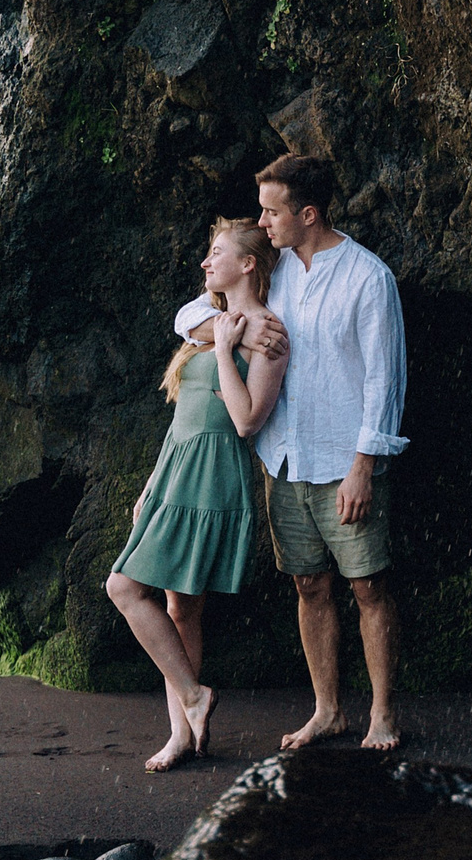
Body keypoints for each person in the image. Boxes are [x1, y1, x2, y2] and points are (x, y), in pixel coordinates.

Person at [173, 153, 408, 752]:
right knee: (308, 586)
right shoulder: (272, 272)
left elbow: (385, 380)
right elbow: (192, 316)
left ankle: (381, 714)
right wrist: (241, 331)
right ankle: (327, 710)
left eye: (272, 211)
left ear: (308, 213)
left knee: (369, 589)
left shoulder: (367, 277)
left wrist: (365, 468)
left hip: (345, 464)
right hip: (284, 461)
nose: (263, 220)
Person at [108, 219, 286, 772]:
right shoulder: (207, 321)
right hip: (176, 470)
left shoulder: (271, 335)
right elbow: (181, 417)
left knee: (123, 587)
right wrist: (150, 485)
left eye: (216, 254)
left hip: (212, 474)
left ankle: (194, 696)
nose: (206, 263)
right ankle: (182, 735)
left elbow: (247, 421)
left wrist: (236, 341)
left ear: (248, 264)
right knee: (179, 606)